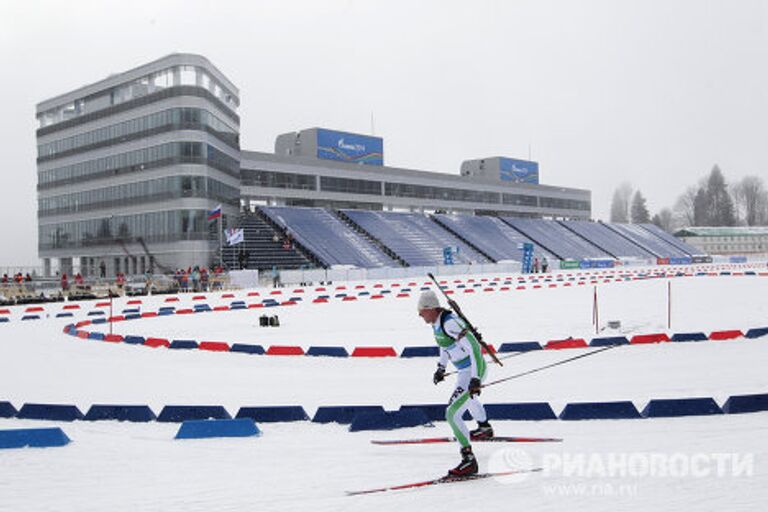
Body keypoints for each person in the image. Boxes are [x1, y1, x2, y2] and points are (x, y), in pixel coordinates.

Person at [417, 290, 492, 477]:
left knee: (452, 413)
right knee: (469, 400)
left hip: (474, 370)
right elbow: (444, 346)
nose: (419, 314)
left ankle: (469, 461)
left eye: (421, 311)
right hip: (464, 371)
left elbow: (474, 346)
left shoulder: (450, 322)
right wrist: (441, 367)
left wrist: (475, 378)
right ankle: (484, 428)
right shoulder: (437, 323)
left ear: (431, 309)